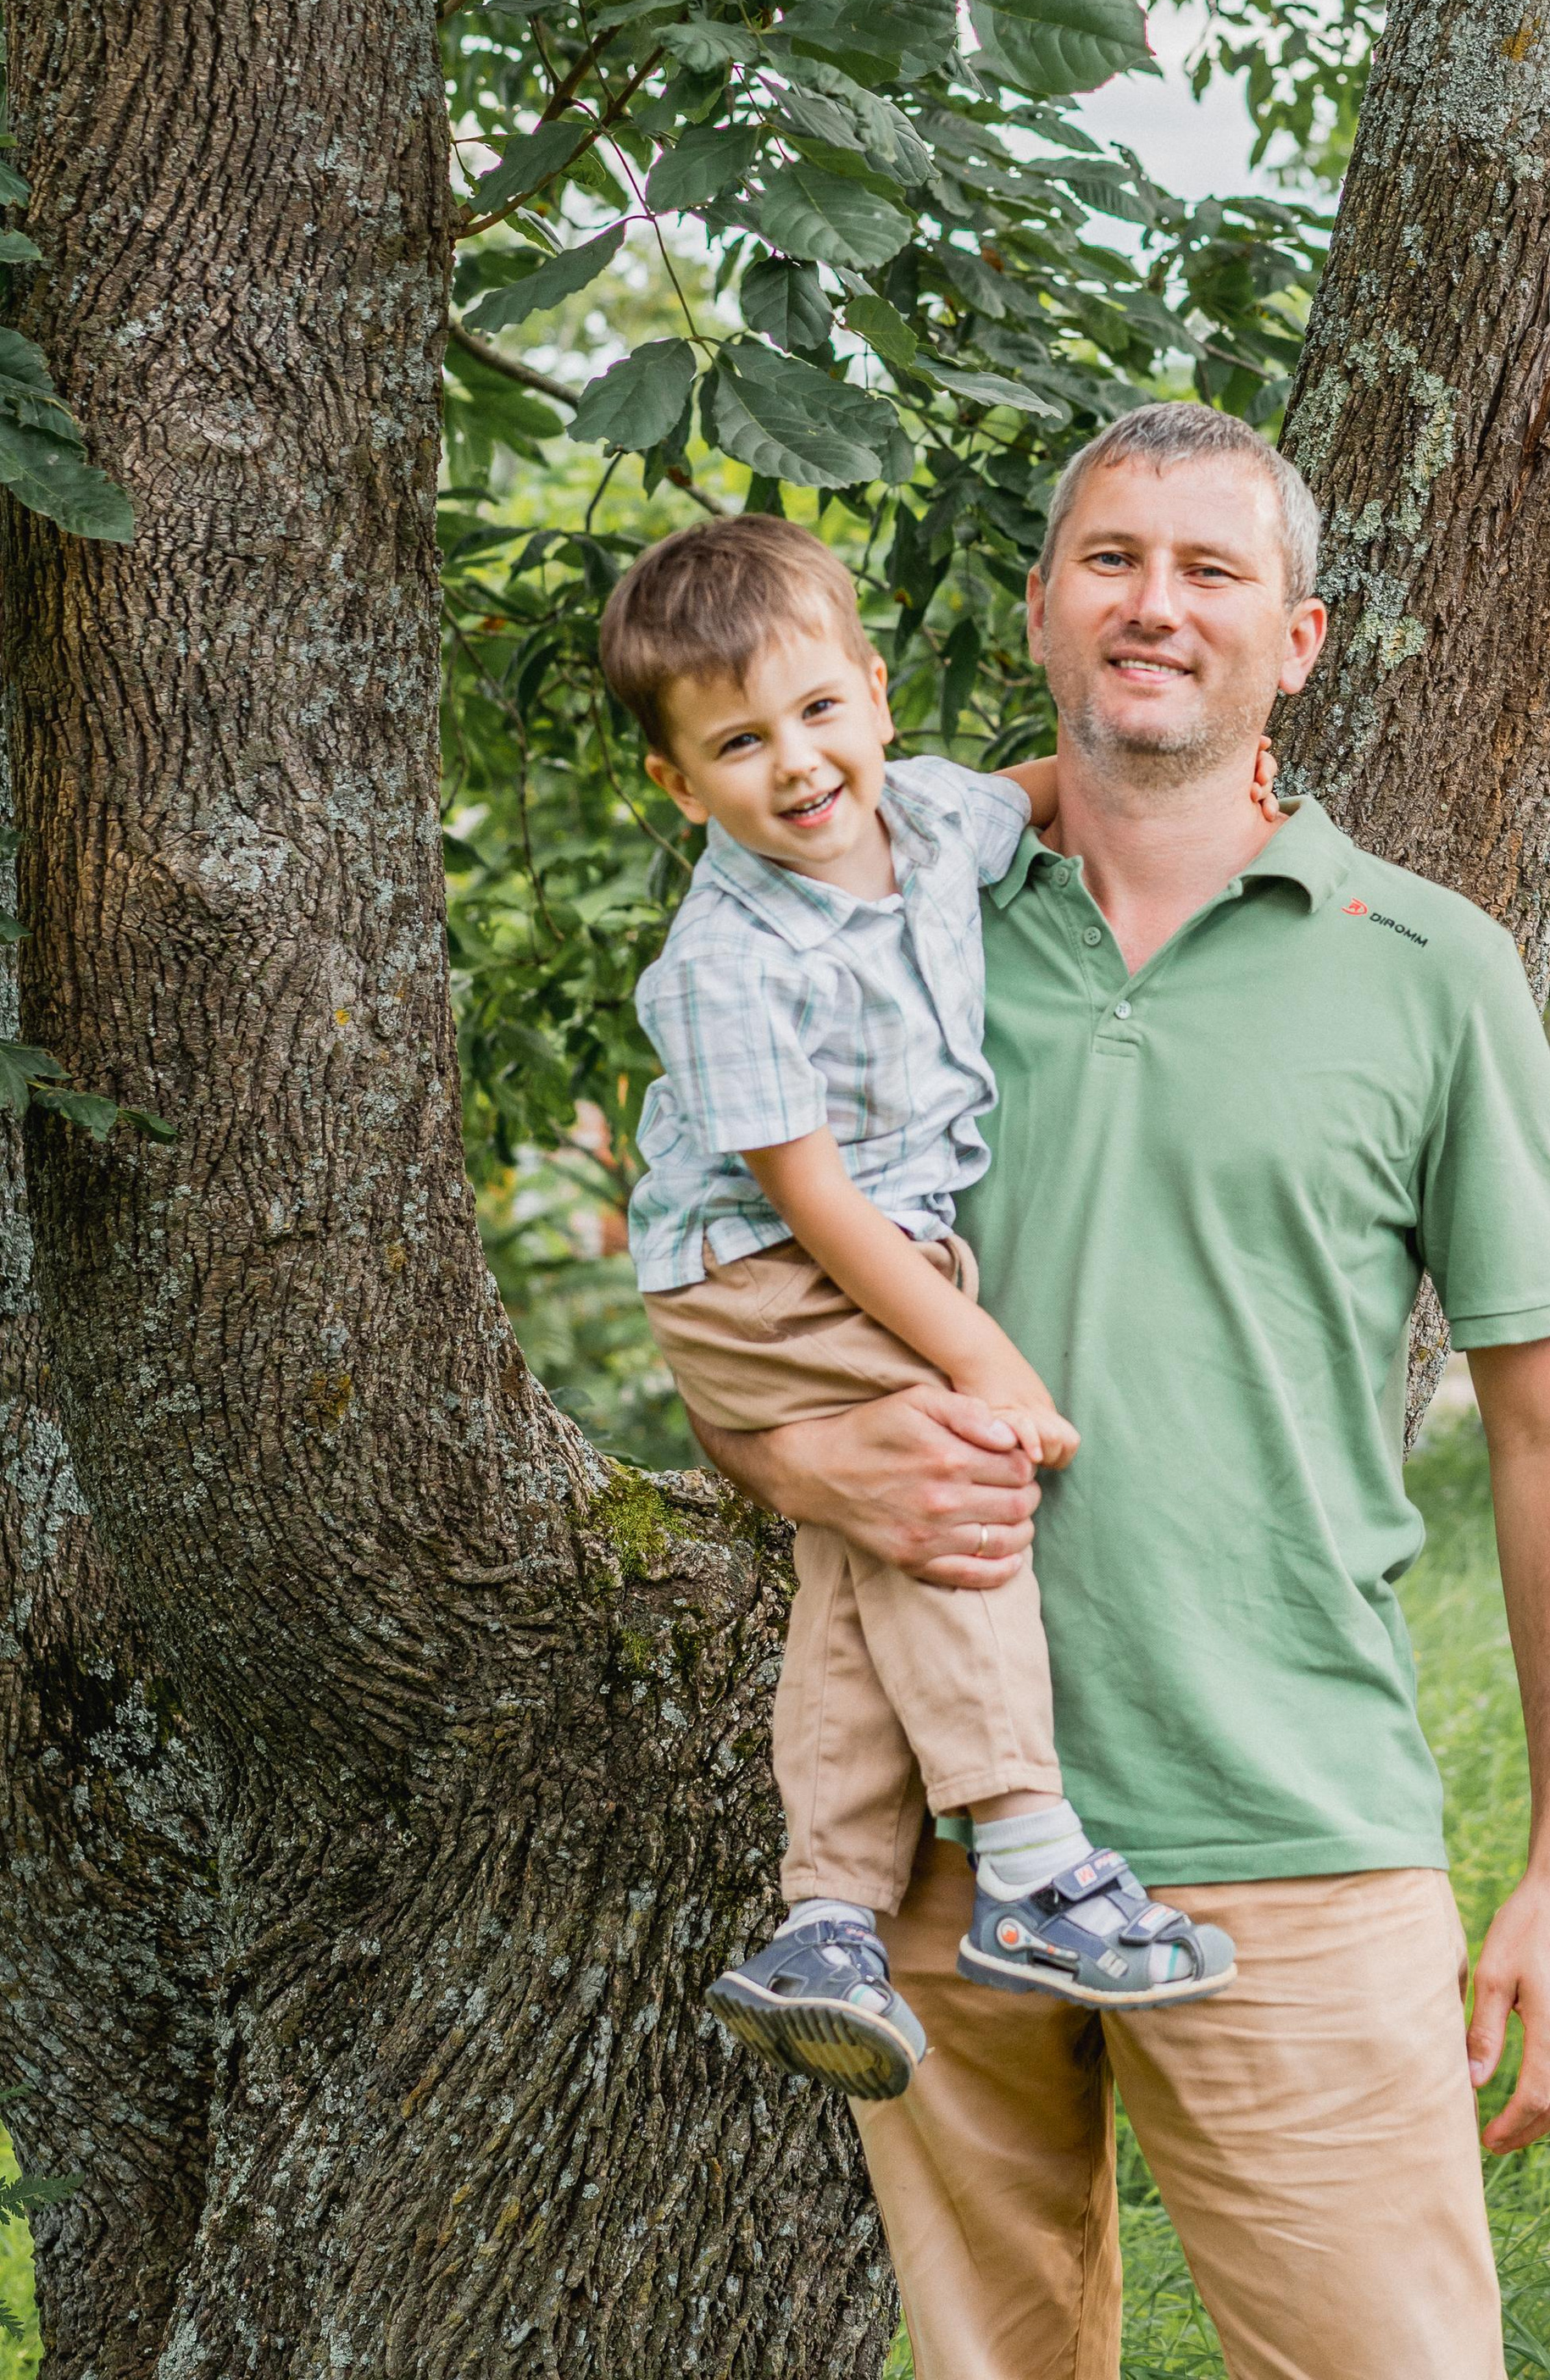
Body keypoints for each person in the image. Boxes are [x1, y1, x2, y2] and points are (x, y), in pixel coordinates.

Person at [704, 402, 1550, 2380]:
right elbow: (725, 1307)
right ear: (1040, 608)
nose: (1155, 605)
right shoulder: (865, 931)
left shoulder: (1426, 966)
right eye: (1111, 559)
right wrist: (803, 1459)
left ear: (1295, 639)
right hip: (940, 1863)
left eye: (1212, 570)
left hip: (1289, 1819)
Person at [598, 514, 1242, 2106]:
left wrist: (1219, 800)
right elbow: (810, 1199)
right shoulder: (721, 963)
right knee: (959, 1481)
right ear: (683, 787)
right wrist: (980, 1353)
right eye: (739, 745)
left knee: (866, 1542)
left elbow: (1036, 795)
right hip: (764, 1270)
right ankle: (1028, 1854)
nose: (798, 766)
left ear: (878, 698)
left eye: (821, 713)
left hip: (860, 1247)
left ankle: (826, 1917)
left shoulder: (931, 817)